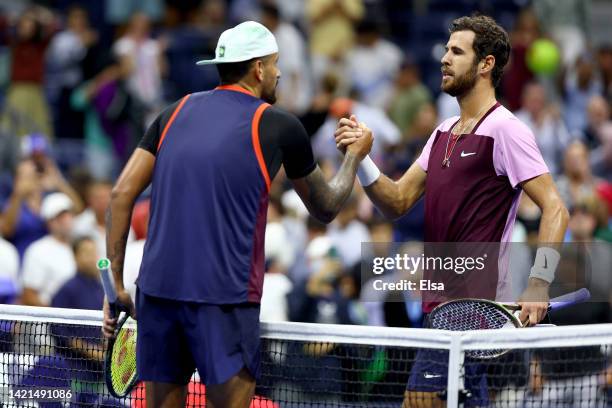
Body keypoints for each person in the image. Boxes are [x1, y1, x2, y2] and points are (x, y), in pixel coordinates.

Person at [102, 21, 372, 408]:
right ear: (259, 68)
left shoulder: (173, 112)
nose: (279, 73)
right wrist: (353, 157)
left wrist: (114, 286)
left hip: (158, 291)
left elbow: (120, 194)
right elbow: (327, 206)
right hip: (224, 299)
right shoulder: (279, 125)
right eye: (276, 64)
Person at [336, 15, 569, 408]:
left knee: (420, 399)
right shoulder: (442, 132)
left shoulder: (506, 130)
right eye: (445, 50)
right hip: (439, 306)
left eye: (456, 52)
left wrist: (540, 282)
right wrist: (362, 159)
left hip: (473, 308)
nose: (444, 59)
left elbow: (555, 207)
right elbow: (396, 201)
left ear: (486, 64)